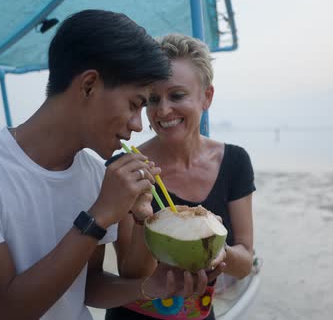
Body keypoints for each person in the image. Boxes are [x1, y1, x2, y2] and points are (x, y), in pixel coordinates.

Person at [0, 11, 222, 320]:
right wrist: (99, 215)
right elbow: (4, 310)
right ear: (89, 85)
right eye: (135, 104)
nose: (137, 125)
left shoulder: (94, 174)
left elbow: (88, 285)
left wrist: (151, 286)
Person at [105, 33, 256, 320]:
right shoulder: (127, 166)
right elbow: (129, 272)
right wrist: (142, 219)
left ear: (206, 97)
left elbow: (245, 261)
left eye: (176, 95)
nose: (162, 110)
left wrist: (217, 251)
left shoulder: (235, 162)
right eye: (152, 99)